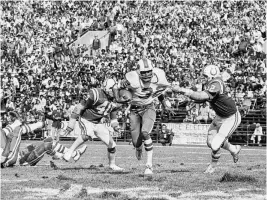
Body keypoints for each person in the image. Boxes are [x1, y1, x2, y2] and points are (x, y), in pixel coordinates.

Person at [172, 65, 242, 174]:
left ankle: (213, 166)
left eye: (205, 75)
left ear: (211, 75)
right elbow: (202, 99)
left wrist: (182, 90)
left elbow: (201, 96)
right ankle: (234, 149)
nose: (203, 77)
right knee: (210, 142)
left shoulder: (216, 83)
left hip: (231, 117)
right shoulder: (212, 83)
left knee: (215, 144)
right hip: (220, 116)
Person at [112, 58, 172, 175]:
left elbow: (158, 92)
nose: (147, 74)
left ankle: (149, 166)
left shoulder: (158, 76)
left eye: (149, 71)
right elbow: (115, 87)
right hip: (134, 110)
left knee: (145, 132)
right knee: (136, 143)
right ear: (138, 72)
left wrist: (164, 104)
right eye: (143, 72)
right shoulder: (131, 79)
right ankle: (138, 148)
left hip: (148, 107)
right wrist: (118, 98)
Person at [61, 79, 124, 171]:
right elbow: (79, 107)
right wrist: (71, 124)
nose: (115, 92)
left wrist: (115, 126)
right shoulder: (96, 94)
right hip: (86, 119)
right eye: (112, 89)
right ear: (106, 89)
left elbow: (113, 118)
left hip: (98, 122)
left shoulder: (115, 101)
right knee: (87, 134)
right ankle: (70, 151)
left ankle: (112, 165)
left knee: (112, 145)